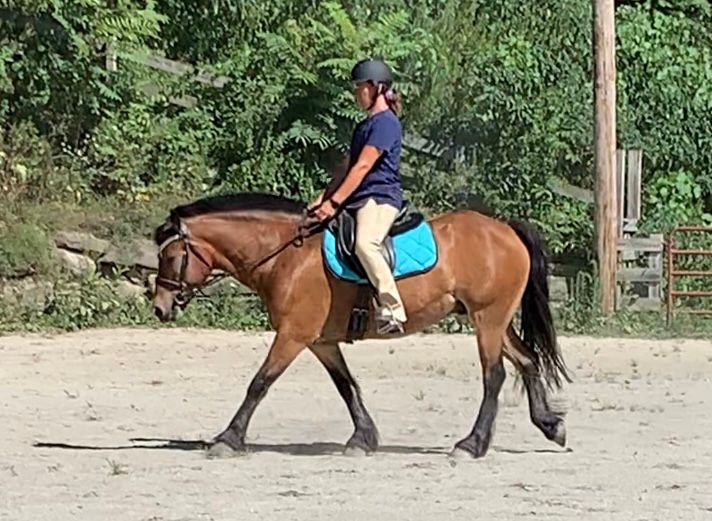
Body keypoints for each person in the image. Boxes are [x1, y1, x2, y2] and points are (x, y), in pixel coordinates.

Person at [308, 57, 407, 334]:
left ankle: (392, 309)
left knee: (365, 243)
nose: (356, 93)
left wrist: (335, 202)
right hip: (359, 197)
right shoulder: (364, 126)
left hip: (380, 196)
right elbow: (347, 167)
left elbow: (364, 166)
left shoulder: (386, 123)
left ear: (376, 88)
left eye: (359, 87)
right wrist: (323, 198)